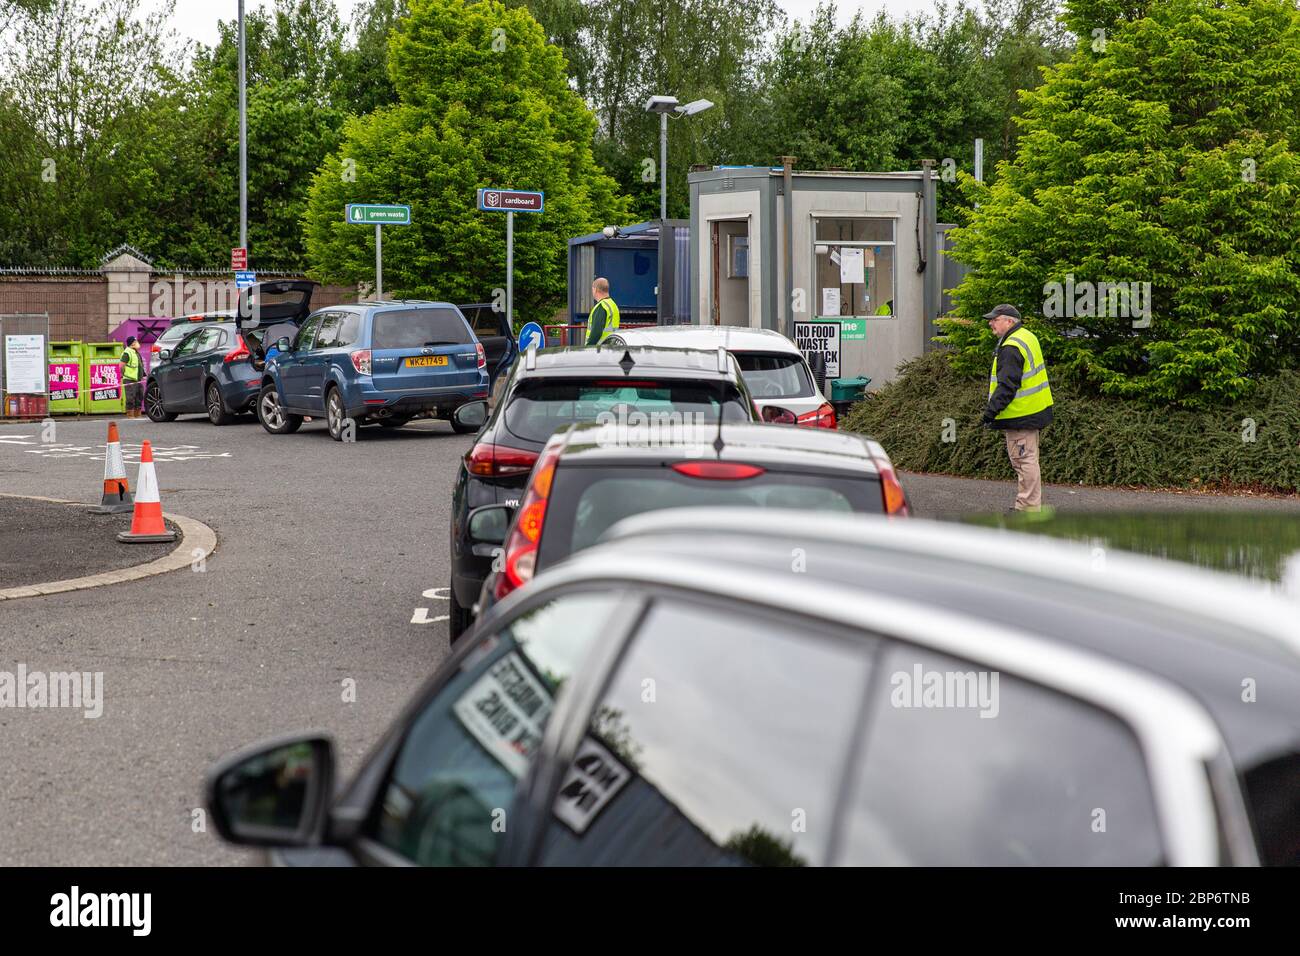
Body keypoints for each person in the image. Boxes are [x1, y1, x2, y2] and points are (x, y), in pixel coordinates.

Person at [980, 304, 1053, 512]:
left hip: (1021, 414)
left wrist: (990, 412)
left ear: (1009, 321)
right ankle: (1028, 506)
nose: (990, 323)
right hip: (1032, 410)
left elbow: (1007, 386)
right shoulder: (1026, 336)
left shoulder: (1011, 346)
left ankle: (1027, 509)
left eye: (995, 319)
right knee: (1028, 460)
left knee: (1024, 462)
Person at [585, 277, 620, 346]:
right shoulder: (613, 305)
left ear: (595, 289)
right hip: (611, 347)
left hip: (599, 349)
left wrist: (588, 349)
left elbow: (596, 333)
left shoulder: (601, 306)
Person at [121, 336, 144, 419]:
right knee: (130, 397)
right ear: (132, 343)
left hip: (138, 379)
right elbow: (121, 365)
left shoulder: (136, 352)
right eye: (135, 341)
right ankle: (130, 414)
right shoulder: (127, 352)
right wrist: (124, 374)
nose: (137, 342)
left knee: (139, 396)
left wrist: (143, 375)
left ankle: (138, 413)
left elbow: (140, 365)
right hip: (129, 379)